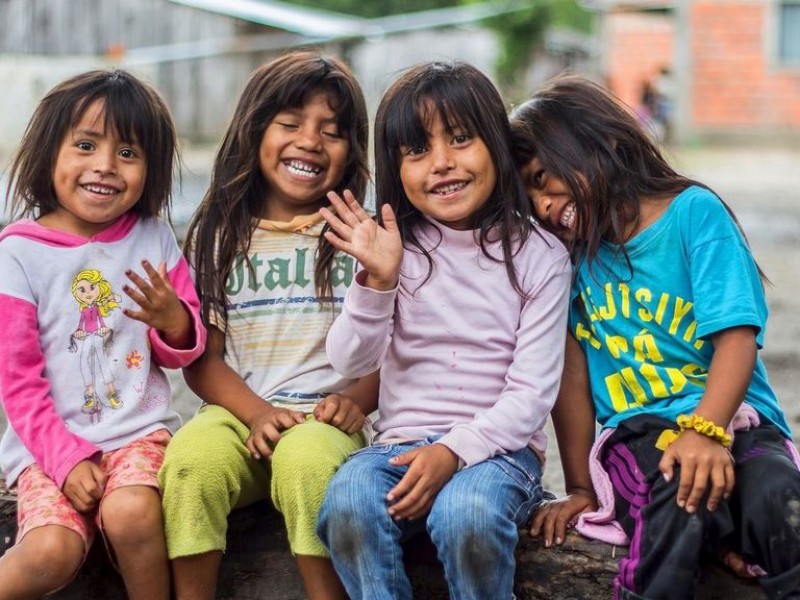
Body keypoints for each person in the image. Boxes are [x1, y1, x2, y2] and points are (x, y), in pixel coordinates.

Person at [511, 75, 800, 599]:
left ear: (607, 144)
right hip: (639, 434)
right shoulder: (571, 262)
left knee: (780, 500)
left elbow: (736, 337)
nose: (543, 205)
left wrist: (708, 432)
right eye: (529, 195)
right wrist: (579, 487)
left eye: (543, 176)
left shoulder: (693, 214)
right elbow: (571, 374)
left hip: (738, 420)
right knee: (673, 495)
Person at [316, 60, 572, 600]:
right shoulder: (391, 246)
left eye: (460, 139)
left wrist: (454, 451)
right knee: (347, 501)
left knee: (468, 515)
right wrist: (378, 280)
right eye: (417, 150)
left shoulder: (541, 256)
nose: (442, 163)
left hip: (500, 454)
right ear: (395, 167)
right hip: (401, 446)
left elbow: (531, 394)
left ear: (497, 146)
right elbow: (350, 362)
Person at [157, 51, 378, 600]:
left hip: (328, 422)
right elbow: (202, 359)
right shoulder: (216, 234)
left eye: (331, 131)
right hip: (239, 416)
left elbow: (398, 345)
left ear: (351, 150)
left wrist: (360, 398)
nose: (310, 140)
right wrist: (256, 414)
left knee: (306, 461)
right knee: (189, 462)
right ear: (255, 132)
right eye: (289, 123)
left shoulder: (360, 235)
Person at [0, 69, 207, 600]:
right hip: (46, 445)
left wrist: (174, 321)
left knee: (132, 512)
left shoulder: (153, 236)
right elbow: (17, 383)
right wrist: (66, 460)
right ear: (49, 152)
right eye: (86, 145)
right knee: (50, 551)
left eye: (128, 153)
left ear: (151, 168)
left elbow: (182, 350)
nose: (105, 167)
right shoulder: (18, 253)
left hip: (138, 430)